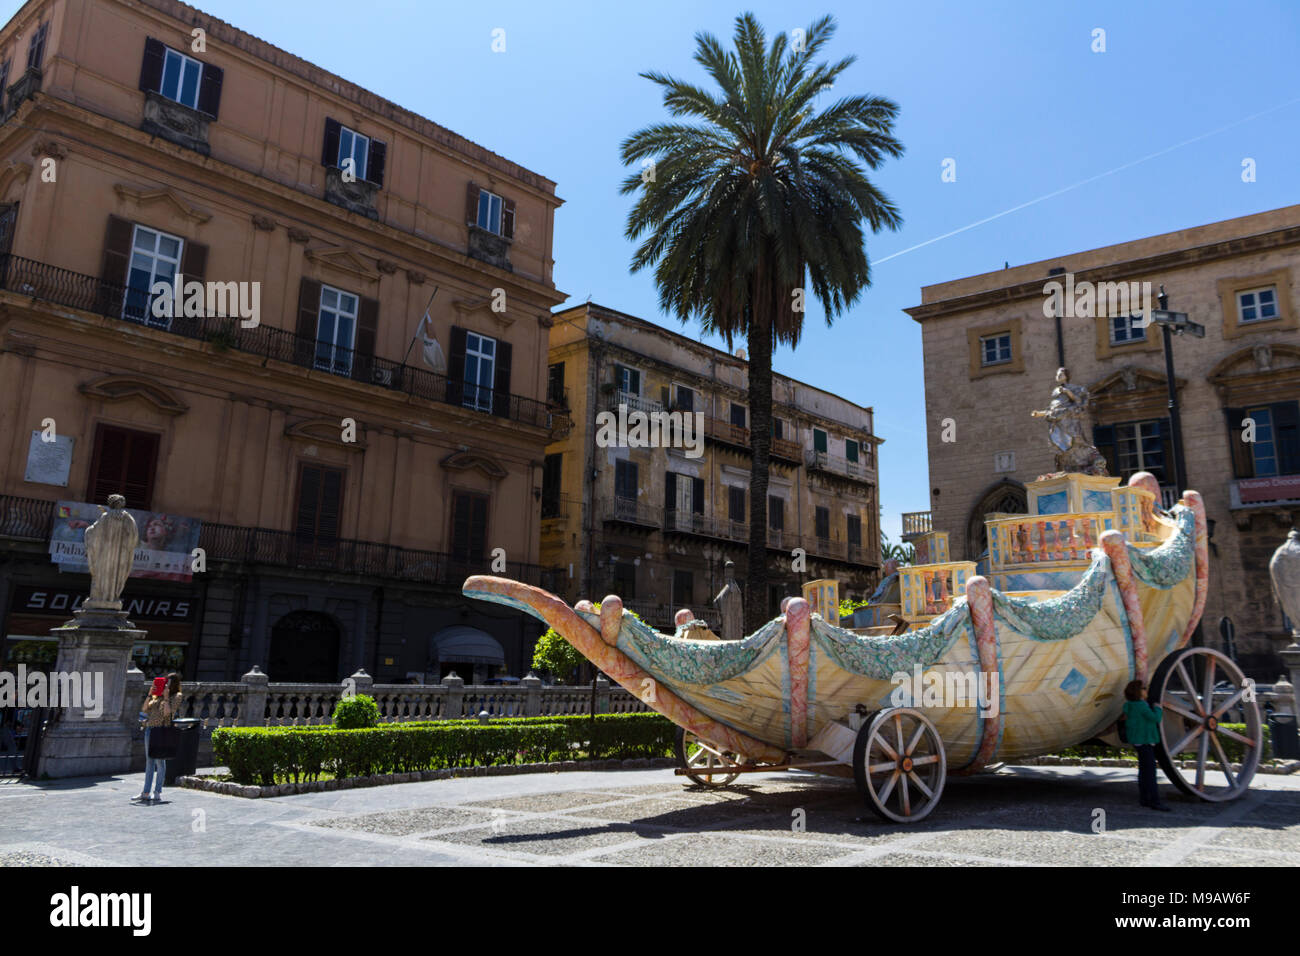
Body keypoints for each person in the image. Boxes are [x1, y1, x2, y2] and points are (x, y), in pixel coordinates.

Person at [134, 672, 182, 804]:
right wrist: (150, 694)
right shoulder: (157, 696)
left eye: (168, 682)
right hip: (150, 729)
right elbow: (144, 710)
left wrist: (166, 698)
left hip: (163, 730)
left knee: (160, 761)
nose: (166, 684)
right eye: (165, 682)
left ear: (174, 684)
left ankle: (157, 792)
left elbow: (168, 713)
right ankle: (145, 792)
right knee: (149, 761)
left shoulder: (177, 696)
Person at [1123, 679, 1170, 811]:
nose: (1146, 691)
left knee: (1143, 771)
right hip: (1145, 740)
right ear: (1138, 691)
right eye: (1144, 688)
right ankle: (1155, 801)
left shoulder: (1129, 705)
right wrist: (1158, 708)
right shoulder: (1142, 706)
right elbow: (1155, 718)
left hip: (1137, 741)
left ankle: (1144, 798)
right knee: (1150, 772)